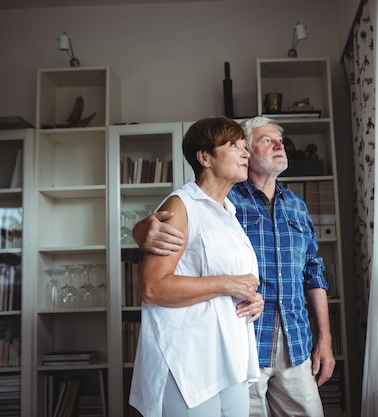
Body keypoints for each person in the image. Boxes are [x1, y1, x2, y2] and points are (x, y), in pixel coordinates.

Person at [133, 116, 335, 417]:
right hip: (227, 345)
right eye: (264, 141)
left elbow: (310, 270)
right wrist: (139, 231)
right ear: (207, 157)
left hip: (281, 342)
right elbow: (157, 272)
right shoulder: (223, 200)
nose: (278, 145)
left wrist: (324, 338)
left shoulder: (258, 207)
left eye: (245, 146)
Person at [129, 117, 264, 417]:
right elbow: (153, 287)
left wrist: (252, 298)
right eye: (234, 145)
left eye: (245, 146)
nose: (246, 153)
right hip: (187, 361)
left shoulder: (230, 213)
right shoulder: (180, 205)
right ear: (204, 157)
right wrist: (227, 284)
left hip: (229, 358)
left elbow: (239, 280)